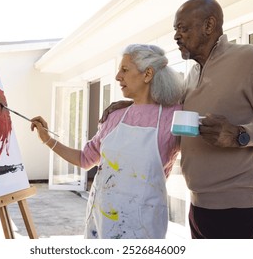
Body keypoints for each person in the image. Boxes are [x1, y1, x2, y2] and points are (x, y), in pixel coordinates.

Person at [101, 0, 253, 239]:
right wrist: (135, 104)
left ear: (209, 25)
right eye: (176, 30)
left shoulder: (252, 59)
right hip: (198, 207)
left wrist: (240, 135)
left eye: (183, 29)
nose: (176, 36)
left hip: (238, 211)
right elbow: (167, 114)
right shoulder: (193, 74)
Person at [30, 44, 184, 239]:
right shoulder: (114, 116)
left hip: (143, 227)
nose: (118, 76)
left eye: (125, 70)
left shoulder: (175, 116)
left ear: (148, 74)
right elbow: (86, 159)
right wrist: (47, 140)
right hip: (101, 223)